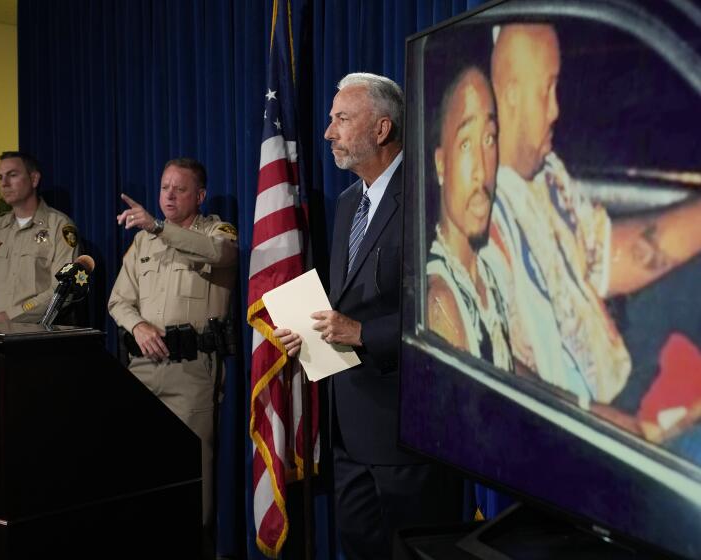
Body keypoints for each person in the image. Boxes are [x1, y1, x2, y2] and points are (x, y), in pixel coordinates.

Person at [485, 24, 701, 451]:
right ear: (510, 95)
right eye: (547, 89)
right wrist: (618, 428)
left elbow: (614, 256)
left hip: (618, 369)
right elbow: (497, 363)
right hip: (581, 424)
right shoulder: (481, 213)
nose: (556, 110)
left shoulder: (546, 175)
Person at [274, 73, 463, 560]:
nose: (328, 133)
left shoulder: (432, 196)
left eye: (341, 119)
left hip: (408, 435)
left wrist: (363, 332)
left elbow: (452, 314)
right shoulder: (345, 204)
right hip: (348, 430)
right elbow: (349, 305)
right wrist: (310, 332)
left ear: (381, 129)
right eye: (330, 119)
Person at [107, 157, 237, 538]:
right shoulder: (143, 242)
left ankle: (191, 542)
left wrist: (159, 227)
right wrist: (139, 325)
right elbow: (118, 301)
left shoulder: (216, 231)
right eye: (165, 187)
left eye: (180, 189)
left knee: (192, 469)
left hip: (191, 370)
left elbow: (221, 255)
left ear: (200, 195)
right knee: (139, 463)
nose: (169, 195)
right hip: (142, 368)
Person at [427, 65, 512, 372]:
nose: (482, 169)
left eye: (489, 140)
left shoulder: (485, 277)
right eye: (465, 144)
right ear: (440, 164)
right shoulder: (441, 300)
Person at [0, 151, 79, 323]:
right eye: (0, 177)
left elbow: (64, 288)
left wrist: (11, 316)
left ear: (34, 179)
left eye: (12, 175)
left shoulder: (60, 226)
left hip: (38, 336)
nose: (4, 183)